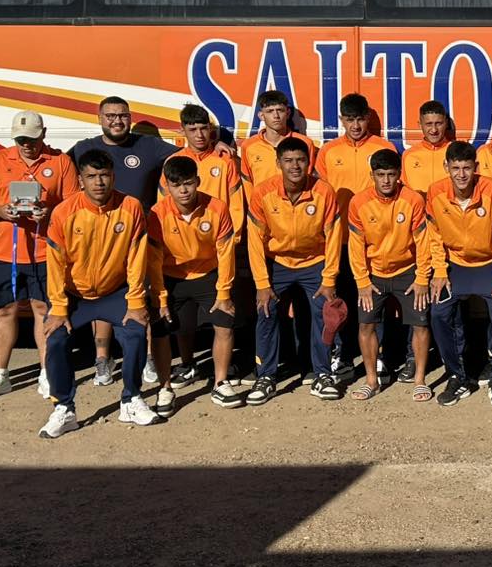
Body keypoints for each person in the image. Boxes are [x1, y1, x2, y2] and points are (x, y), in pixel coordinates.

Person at [39, 149, 155, 437]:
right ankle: (63, 408)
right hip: (75, 295)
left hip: (115, 292)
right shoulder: (64, 212)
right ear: (81, 180)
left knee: (136, 332)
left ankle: (131, 399)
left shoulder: (131, 207)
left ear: (113, 176)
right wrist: (58, 308)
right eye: (91, 176)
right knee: (54, 339)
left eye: (104, 175)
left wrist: (137, 301)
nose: (99, 182)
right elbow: (55, 264)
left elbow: (137, 257)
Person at [69, 95, 179, 385]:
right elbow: (60, 169)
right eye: (111, 116)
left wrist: (218, 141)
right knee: (101, 295)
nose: (117, 121)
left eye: (123, 115)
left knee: (140, 297)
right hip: (98, 236)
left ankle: (147, 358)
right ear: (100, 118)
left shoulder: (148, 145)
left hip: (137, 237)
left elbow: (183, 158)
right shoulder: (84, 148)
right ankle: (103, 360)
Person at [0, 111, 78, 403]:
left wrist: (50, 212)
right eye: (20, 140)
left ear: (44, 133)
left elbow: (73, 205)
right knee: (5, 310)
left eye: (32, 139)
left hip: (45, 252)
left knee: (42, 309)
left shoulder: (60, 162)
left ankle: (47, 371)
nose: (27, 145)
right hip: (6, 251)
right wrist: (0, 210)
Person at [248, 138, 344, 404]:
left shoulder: (324, 192)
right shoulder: (262, 193)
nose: (295, 166)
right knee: (266, 312)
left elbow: (334, 236)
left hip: (315, 262)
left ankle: (323, 374)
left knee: (325, 313)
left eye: (300, 160)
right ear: (278, 163)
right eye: (288, 161)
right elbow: (254, 240)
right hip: (277, 262)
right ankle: (265, 376)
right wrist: (262, 284)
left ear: (309, 163)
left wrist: (329, 277)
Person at [146, 156, 238, 414]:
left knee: (224, 321)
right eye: (177, 185)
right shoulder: (157, 214)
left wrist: (224, 292)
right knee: (164, 329)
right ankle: (165, 388)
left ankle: (220, 383)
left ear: (198, 181)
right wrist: (160, 299)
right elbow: (152, 262)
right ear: (167, 186)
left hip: (208, 274)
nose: (184, 191)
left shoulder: (217, 208)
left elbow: (225, 252)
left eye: (188, 183)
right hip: (171, 277)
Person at [426, 142, 492, 406]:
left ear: (476, 168)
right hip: (454, 265)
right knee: (439, 313)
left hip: (489, 264)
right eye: (456, 168)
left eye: (467, 168)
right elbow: (434, 236)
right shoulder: (436, 192)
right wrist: (440, 270)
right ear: (447, 168)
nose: (461, 174)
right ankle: (457, 376)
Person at [160, 104, 245, 383]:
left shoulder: (224, 161)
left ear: (211, 130)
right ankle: (187, 364)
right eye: (192, 129)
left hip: (218, 253)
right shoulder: (172, 164)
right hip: (180, 261)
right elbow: (163, 208)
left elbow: (235, 205)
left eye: (203, 128)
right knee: (182, 324)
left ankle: (225, 370)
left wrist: (233, 239)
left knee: (226, 316)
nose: (199, 134)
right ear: (182, 131)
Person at [348, 149, 433, 402]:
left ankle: (420, 380)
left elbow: (423, 242)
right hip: (373, 274)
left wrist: (421, 278)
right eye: (380, 175)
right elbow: (356, 246)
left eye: (391, 175)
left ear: (399, 175)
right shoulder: (358, 202)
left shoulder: (413, 200)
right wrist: (362, 282)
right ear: (372, 175)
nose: (386, 180)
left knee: (420, 323)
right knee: (366, 324)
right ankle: (371, 380)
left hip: (407, 271)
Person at [314, 93, 397, 217]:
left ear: (368, 118)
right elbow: (320, 192)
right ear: (341, 120)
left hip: (377, 223)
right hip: (340, 223)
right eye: (350, 120)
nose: (356, 126)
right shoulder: (327, 151)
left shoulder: (385, 148)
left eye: (360, 119)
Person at [239, 89, 315, 201]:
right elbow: (247, 183)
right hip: (262, 208)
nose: (276, 116)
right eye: (270, 111)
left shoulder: (305, 143)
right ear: (261, 115)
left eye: (280, 110)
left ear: (288, 113)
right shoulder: (249, 146)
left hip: (294, 208)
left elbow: (307, 178)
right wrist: (254, 208)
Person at [402, 99, 453, 196]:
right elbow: (405, 192)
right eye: (429, 124)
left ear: (446, 123)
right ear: (420, 124)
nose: (434, 130)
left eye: (438, 123)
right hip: (419, 210)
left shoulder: (456, 152)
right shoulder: (408, 155)